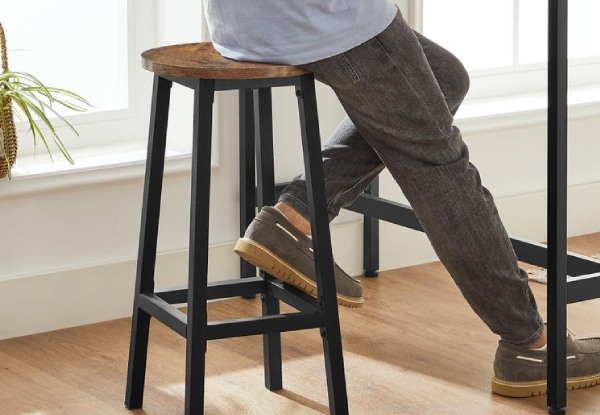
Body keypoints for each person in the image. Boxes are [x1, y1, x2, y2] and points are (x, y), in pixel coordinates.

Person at [203, 0, 600, 398]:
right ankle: (532, 343)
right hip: (319, 20)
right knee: (440, 166)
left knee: (444, 77)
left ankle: (293, 217)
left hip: (243, 22)